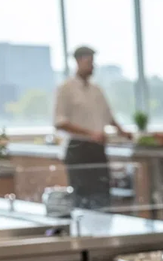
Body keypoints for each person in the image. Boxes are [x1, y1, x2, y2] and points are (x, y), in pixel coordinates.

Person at [53, 46, 131, 210]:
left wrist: (123, 133)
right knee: (83, 198)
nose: (92, 66)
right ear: (78, 61)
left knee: (102, 195)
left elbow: (109, 117)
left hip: (98, 149)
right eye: (89, 62)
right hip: (79, 148)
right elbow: (60, 122)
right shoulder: (66, 89)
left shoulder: (97, 90)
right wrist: (90, 133)